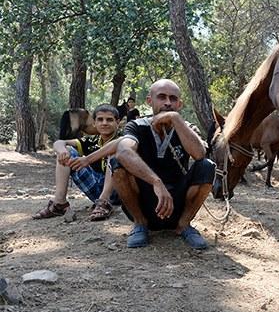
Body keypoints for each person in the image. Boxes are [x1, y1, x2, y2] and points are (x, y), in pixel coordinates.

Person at [111, 79, 215, 249]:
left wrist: (175, 118)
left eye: (173, 99)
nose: (168, 103)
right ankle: (140, 224)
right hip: (146, 202)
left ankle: (184, 225)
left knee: (206, 166)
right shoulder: (136, 126)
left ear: (180, 104)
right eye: (162, 97)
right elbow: (123, 151)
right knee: (117, 163)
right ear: (149, 101)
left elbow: (199, 154)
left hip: (178, 204)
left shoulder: (186, 128)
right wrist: (156, 182)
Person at [33, 104, 122, 221]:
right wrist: (62, 151)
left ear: (118, 122)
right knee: (67, 152)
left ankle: (104, 202)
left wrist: (88, 159)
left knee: (115, 150)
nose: (104, 123)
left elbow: (119, 144)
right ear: (94, 123)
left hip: (120, 192)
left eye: (109, 120)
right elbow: (59, 142)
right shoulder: (92, 140)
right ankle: (60, 203)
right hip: (96, 190)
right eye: (100, 119)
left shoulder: (125, 137)